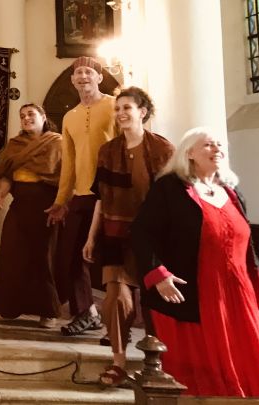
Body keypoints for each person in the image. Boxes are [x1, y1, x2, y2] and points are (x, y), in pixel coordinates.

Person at [132, 128, 259, 397]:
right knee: (200, 370)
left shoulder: (232, 192)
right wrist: (158, 274)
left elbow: (247, 244)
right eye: (208, 145)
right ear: (189, 153)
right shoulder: (169, 188)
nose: (217, 149)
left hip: (237, 295)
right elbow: (143, 233)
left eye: (220, 144)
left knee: (248, 362)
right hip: (196, 293)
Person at [83, 87, 173, 386]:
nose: (121, 113)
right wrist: (91, 237)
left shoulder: (163, 150)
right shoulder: (108, 151)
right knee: (116, 300)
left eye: (127, 108)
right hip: (115, 234)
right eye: (118, 108)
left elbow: (174, 198)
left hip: (154, 237)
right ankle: (118, 362)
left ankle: (157, 363)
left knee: (154, 302)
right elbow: (101, 198)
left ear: (142, 112)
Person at [45, 56, 113, 336]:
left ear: (99, 78)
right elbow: (69, 163)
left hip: (111, 192)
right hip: (82, 194)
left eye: (88, 72)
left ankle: (122, 322)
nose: (83, 76)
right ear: (72, 80)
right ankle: (86, 312)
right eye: (78, 73)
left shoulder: (114, 106)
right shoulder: (70, 116)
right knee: (72, 257)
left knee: (116, 259)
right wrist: (61, 200)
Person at [0, 103, 63, 328]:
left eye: (31, 114)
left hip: (46, 206)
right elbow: (8, 174)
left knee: (42, 258)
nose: (26, 118)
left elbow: (65, 176)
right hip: (20, 206)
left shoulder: (57, 142)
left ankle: (48, 312)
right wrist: (0, 193)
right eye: (22, 116)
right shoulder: (15, 144)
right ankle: (10, 307)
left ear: (43, 116)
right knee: (12, 253)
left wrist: (61, 204)